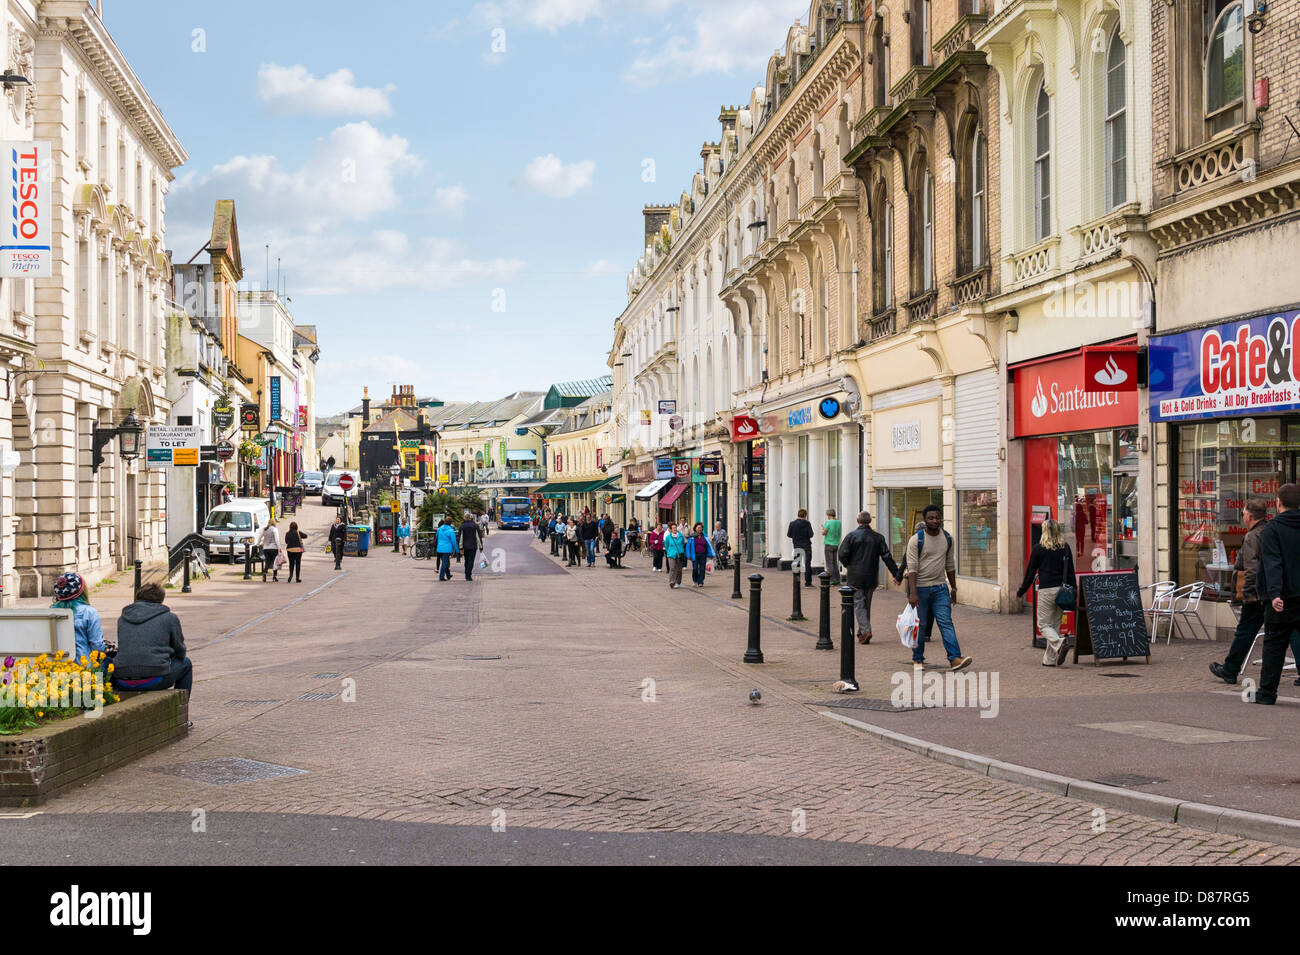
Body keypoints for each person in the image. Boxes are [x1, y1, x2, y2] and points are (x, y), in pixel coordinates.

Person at [1210, 500, 1277, 685]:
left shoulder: (1252, 536)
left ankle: (1230, 669)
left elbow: (1252, 569)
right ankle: (1230, 668)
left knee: (1245, 631)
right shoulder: (1272, 531)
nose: (1243, 517)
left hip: (1257, 594)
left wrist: (1248, 593)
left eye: (1243, 514)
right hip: (1274, 590)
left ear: (1249, 516)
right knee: (1289, 629)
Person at [905, 504, 972, 672]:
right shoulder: (916, 540)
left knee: (946, 623)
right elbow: (912, 568)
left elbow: (950, 565)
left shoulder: (947, 538)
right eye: (931, 518)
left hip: (940, 589)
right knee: (920, 625)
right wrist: (913, 593)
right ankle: (918, 659)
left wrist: (954, 589)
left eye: (937, 517)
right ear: (925, 520)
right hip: (920, 589)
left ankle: (955, 659)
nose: (935, 520)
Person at [1254, 483, 1300, 705]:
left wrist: (1274, 594)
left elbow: (1273, 563)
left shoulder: (1272, 529)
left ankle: (1267, 693)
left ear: (1278, 502)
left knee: (1274, 645)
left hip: (1283, 598)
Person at [111, 583, 193, 696]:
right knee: (186, 664)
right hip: (154, 680)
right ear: (160, 599)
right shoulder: (170, 618)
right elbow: (180, 650)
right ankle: (181, 704)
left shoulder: (122, 619)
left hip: (122, 680)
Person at [1016, 518, 1076, 667]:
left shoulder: (1039, 548)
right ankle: (1049, 660)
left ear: (1045, 531)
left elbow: (1031, 572)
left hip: (1046, 590)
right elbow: (1070, 571)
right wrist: (1073, 589)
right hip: (1062, 590)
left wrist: (1022, 590)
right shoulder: (1065, 547)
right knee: (1054, 625)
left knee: (1043, 625)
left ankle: (1059, 642)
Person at [837, 512, 902, 644]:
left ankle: (865, 630)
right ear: (870, 521)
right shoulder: (878, 537)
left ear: (857, 520)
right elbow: (887, 557)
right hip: (871, 575)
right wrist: (896, 574)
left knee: (859, 604)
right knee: (866, 604)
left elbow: (842, 554)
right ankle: (863, 633)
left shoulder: (851, 536)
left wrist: (848, 564)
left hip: (855, 575)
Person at [51, 572, 108, 668]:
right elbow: (97, 646)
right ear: (82, 591)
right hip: (84, 668)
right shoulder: (89, 612)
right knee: (108, 664)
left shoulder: (51, 612)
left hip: (57, 669)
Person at [787, 508, 815, 587]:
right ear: (805, 515)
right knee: (807, 564)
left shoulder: (792, 523)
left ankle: (797, 582)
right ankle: (808, 583)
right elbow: (811, 535)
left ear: (798, 514)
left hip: (797, 546)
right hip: (806, 546)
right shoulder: (807, 523)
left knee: (796, 564)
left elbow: (789, 535)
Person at [687, 522, 716, 588]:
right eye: (698, 527)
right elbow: (688, 546)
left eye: (701, 527)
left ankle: (700, 582)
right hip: (694, 555)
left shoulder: (705, 536)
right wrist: (688, 555)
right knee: (695, 568)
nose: (700, 529)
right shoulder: (692, 537)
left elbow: (709, 546)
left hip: (703, 554)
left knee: (702, 569)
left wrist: (711, 555)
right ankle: (695, 580)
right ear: (695, 528)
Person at [460, 513, 484, 581]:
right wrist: (481, 547)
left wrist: (461, 548)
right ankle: (468, 575)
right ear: (470, 518)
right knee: (471, 561)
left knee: (466, 560)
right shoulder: (475, 526)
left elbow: (461, 538)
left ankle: (467, 573)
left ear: (464, 518)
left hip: (465, 546)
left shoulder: (462, 526)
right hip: (473, 546)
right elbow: (478, 537)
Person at [822, 509, 843, 586]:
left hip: (829, 544)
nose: (827, 517)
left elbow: (824, 533)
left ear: (829, 515)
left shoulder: (828, 522)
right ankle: (837, 580)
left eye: (827, 515)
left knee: (829, 563)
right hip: (836, 544)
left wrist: (823, 529)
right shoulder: (839, 522)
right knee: (835, 562)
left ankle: (831, 580)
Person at [664, 522, 687, 589]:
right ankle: (672, 581)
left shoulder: (680, 536)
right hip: (671, 554)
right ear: (670, 529)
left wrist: (681, 550)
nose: (675, 529)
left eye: (675, 527)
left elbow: (682, 543)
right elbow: (666, 545)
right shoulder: (668, 537)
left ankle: (678, 582)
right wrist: (669, 552)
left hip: (679, 554)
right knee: (672, 568)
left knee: (679, 569)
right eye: (673, 528)